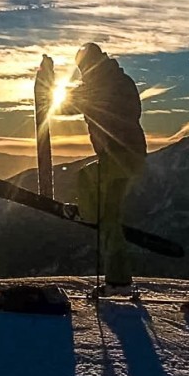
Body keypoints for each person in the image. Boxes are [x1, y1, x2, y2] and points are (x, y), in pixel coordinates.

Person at [59, 42, 147, 296]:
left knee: (89, 183)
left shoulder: (104, 84)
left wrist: (55, 96)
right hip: (129, 156)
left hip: (121, 156)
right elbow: (78, 103)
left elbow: (84, 103)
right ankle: (118, 279)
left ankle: (88, 215)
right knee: (107, 211)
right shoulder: (114, 80)